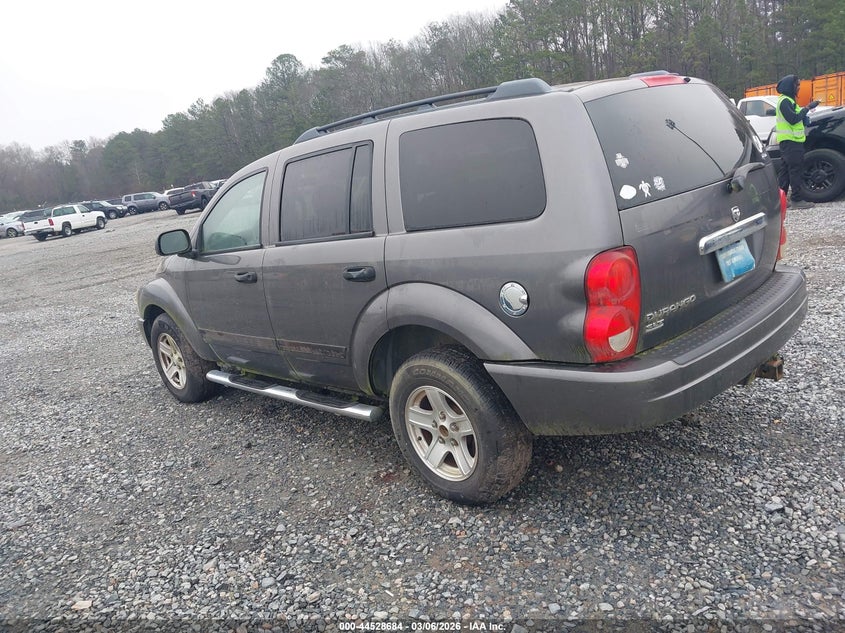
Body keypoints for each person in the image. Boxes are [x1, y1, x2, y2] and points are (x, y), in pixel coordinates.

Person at [774, 75, 820, 209]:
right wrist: (808, 107)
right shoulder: (785, 101)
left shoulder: (788, 100)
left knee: (786, 171)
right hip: (791, 142)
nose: (799, 87)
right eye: (797, 85)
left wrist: (805, 115)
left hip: (789, 142)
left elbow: (798, 116)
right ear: (790, 86)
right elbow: (793, 119)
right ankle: (796, 200)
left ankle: (780, 200)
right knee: (795, 170)